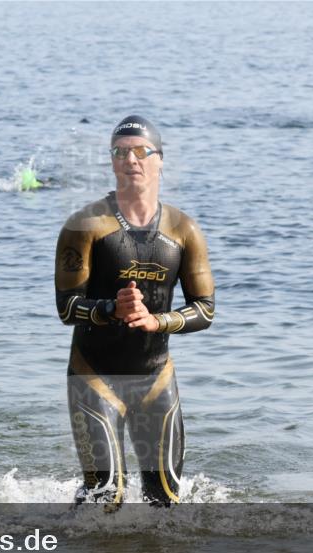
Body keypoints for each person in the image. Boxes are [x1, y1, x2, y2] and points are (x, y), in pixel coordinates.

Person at [54, 115, 215, 511]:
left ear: (160, 160)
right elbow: (67, 308)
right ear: (111, 162)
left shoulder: (184, 229)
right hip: (95, 377)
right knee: (104, 498)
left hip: (155, 378)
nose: (131, 160)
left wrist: (157, 321)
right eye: (120, 152)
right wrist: (112, 308)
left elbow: (206, 309)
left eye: (141, 152)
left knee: (167, 506)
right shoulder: (84, 225)